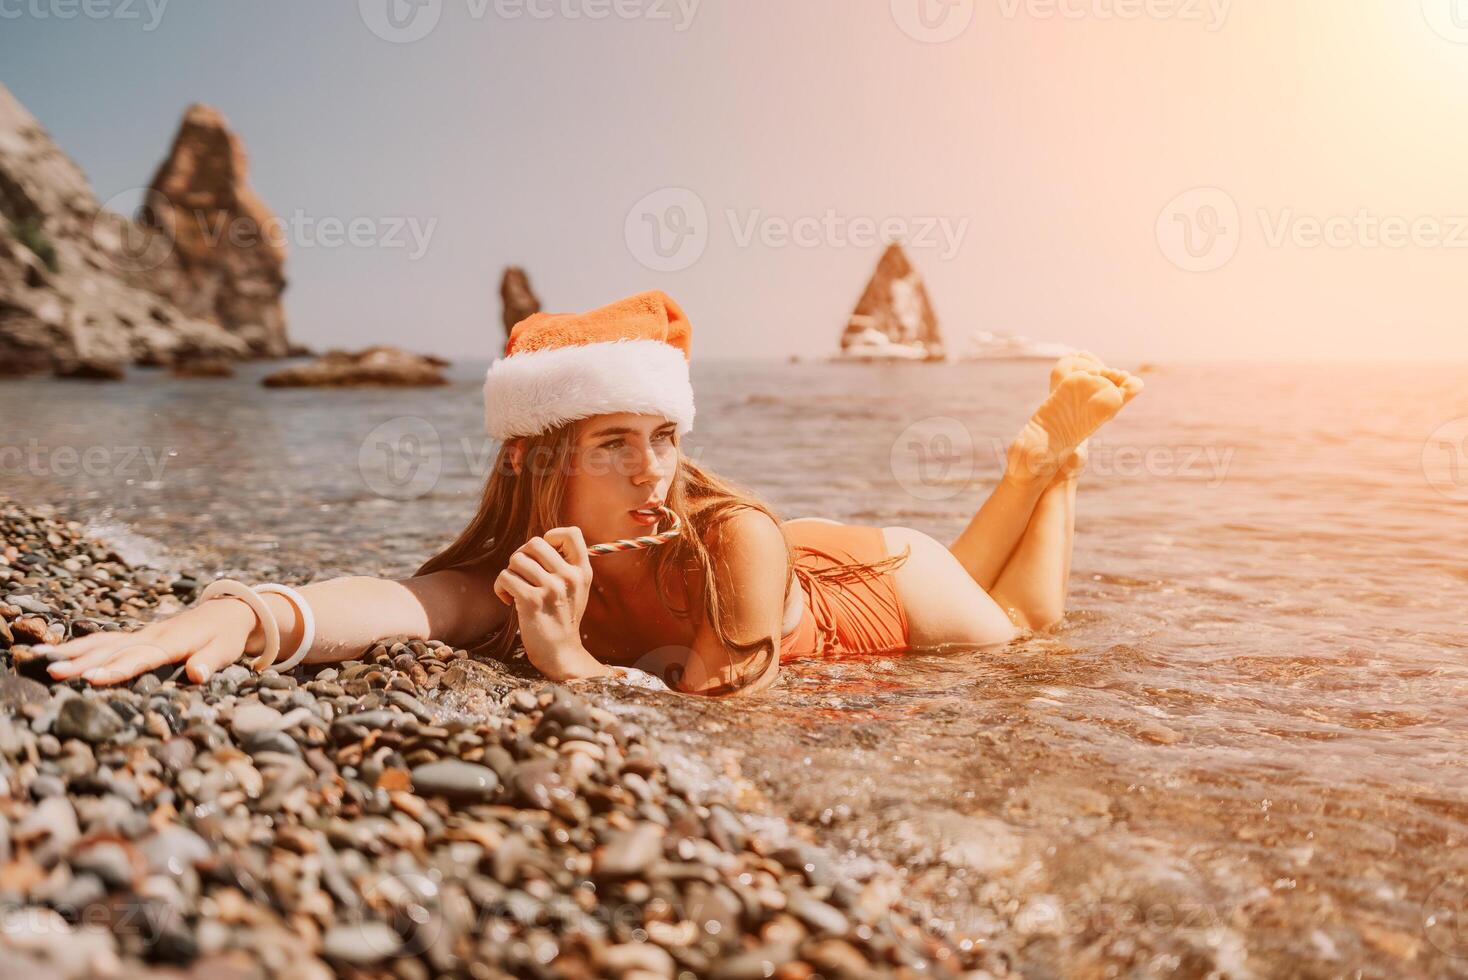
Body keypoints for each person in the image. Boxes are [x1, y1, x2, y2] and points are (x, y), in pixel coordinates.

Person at [40, 290, 1142, 696]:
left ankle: (1049, 461)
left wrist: (567, 661)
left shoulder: (736, 535)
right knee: (1026, 622)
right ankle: (1034, 465)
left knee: (1028, 636)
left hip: (883, 588)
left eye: (662, 436)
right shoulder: (515, 570)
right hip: (835, 569)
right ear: (533, 458)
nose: (652, 468)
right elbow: (396, 599)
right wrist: (236, 613)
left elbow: (721, 715)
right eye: (614, 441)